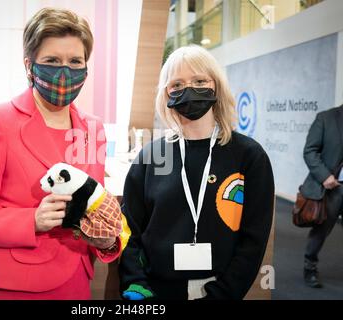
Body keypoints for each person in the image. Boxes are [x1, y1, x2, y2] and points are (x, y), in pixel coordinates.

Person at [0, 7, 121, 300]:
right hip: (16, 285)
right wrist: (31, 220)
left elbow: (93, 202)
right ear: (30, 65)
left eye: (75, 61)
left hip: (77, 280)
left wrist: (105, 241)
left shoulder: (94, 128)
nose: (65, 71)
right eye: (52, 60)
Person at [118, 45, 275, 300]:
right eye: (177, 84)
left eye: (200, 80)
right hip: (155, 291)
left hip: (218, 289)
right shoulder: (152, 156)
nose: (188, 90)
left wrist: (223, 294)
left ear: (216, 86)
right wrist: (137, 286)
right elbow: (128, 230)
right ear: (166, 94)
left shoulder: (249, 156)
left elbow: (253, 240)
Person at [301, 105, 343, 288]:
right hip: (333, 188)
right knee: (321, 230)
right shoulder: (326, 118)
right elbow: (310, 151)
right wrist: (325, 176)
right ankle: (309, 267)